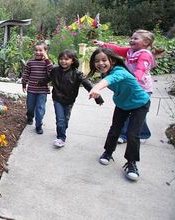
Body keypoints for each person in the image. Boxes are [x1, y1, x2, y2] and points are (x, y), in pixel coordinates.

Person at [87, 48, 150, 181]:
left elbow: (111, 79)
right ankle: (108, 152)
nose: (100, 63)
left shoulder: (119, 71)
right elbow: (109, 80)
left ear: (113, 61)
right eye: (96, 61)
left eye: (104, 60)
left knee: (133, 134)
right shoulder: (106, 73)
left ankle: (132, 163)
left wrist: (97, 88)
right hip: (122, 104)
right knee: (115, 129)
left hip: (140, 103)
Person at [93, 29, 159, 144]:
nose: (131, 40)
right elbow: (117, 49)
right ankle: (143, 133)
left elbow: (140, 70)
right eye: (131, 38)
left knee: (135, 112)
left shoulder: (145, 55)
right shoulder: (130, 51)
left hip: (142, 88)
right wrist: (103, 44)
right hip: (131, 86)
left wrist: (132, 81)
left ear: (146, 42)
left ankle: (124, 135)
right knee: (135, 113)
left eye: (135, 38)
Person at [47, 49, 104, 148]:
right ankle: (61, 138)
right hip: (57, 99)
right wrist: (39, 82)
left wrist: (98, 98)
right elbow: (48, 78)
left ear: (72, 61)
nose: (63, 61)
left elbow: (88, 85)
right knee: (60, 119)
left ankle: (62, 129)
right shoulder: (55, 70)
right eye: (61, 59)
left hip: (69, 101)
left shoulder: (77, 74)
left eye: (66, 59)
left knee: (65, 119)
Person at [22, 41, 53, 134]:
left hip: (42, 90)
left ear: (45, 51)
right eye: (36, 50)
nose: (38, 52)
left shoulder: (47, 62)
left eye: (40, 50)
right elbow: (26, 73)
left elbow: (52, 73)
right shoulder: (30, 62)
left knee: (40, 108)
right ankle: (30, 116)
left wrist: (47, 59)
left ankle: (39, 125)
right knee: (30, 107)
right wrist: (24, 83)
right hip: (31, 89)